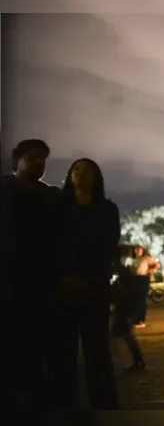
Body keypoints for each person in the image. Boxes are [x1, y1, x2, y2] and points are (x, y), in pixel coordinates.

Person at [50, 158, 121, 409]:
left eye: (89, 171)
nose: (82, 175)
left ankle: (104, 407)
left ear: (97, 178)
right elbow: (51, 246)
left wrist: (87, 278)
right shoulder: (58, 207)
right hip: (62, 288)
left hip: (94, 289)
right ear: (70, 175)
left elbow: (107, 247)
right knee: (63, 353)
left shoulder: (107, 210)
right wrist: (64, 277)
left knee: (98, 354)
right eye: (77, 169)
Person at [1, 139, 61, 410]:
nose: (39, 163)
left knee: (38, 344)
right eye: (33, 157)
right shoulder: (4, 189)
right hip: (9, 281)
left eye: (43, 159)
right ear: (18, 160)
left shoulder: (52, 196)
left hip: (42, 283)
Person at [130, 245, 159, 327]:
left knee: (142, 299)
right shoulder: (134, 260)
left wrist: (149, 271)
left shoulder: (146, 258)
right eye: (136, 250)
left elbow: (156, 265)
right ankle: (135, 319)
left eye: (139, 250)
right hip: (135, 279)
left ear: (142, 251)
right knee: (135, 299)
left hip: (143, 278)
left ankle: (141, 320)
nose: (137, 251)